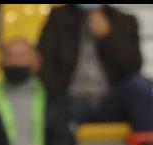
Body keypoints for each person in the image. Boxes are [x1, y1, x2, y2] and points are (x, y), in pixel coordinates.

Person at [37, 4, 153, 132]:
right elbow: (44, 64)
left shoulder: (124, 20)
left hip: (109, 100)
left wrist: (107, 36)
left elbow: (133, 67)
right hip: (71, 100)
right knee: (56, 113)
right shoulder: (59, 18)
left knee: (140, 86)